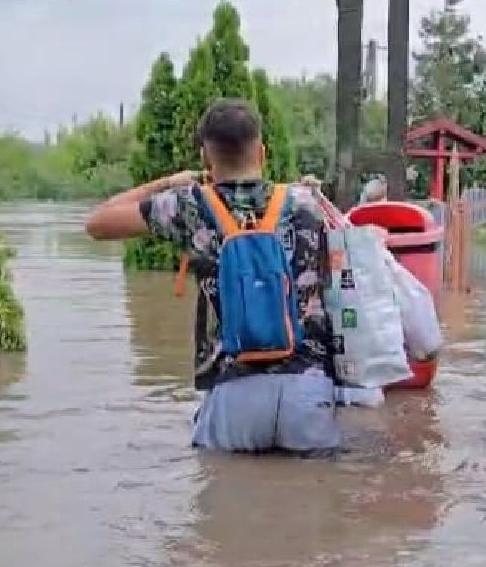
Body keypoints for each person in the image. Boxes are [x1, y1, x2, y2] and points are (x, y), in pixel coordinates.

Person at [85, 98, 339, 453]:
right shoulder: (307, 203)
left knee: (219, 496)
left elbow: (97, 223)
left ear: (206, 158)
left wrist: (169, 182)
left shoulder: (187, 205)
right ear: (262, 153)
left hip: (233, 395)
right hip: (308, 391)